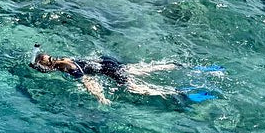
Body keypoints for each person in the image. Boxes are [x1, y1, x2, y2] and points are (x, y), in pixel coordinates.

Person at [29, 44, 186, 105]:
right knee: (138, 69)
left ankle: (171, 92)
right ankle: (171, 66)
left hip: (109, 70)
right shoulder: (63, 59)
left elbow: (87, 80)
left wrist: (100, 97)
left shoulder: (67, 68)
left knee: (134, 88)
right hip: (106, 62)